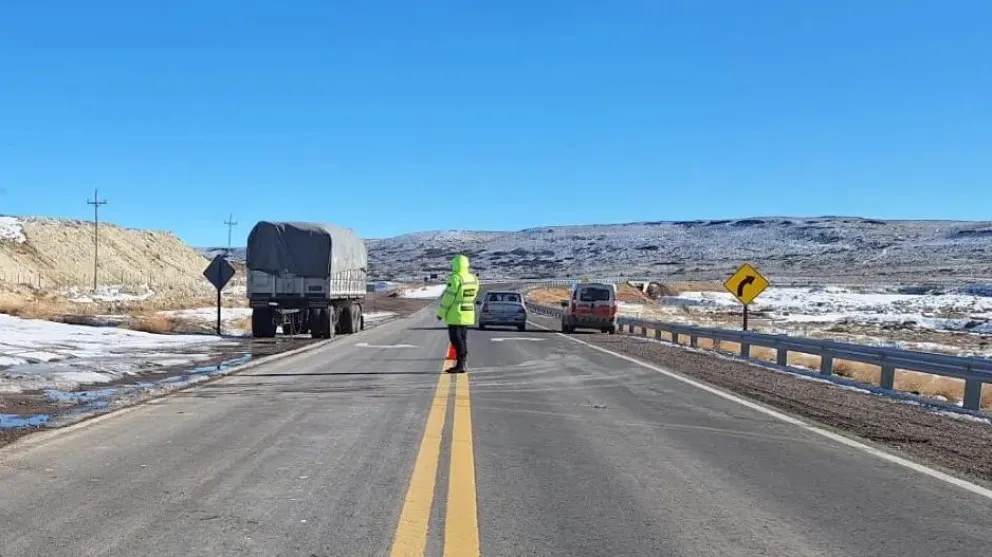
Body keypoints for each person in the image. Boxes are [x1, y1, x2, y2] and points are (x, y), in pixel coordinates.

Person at [436, 254, 479, 373]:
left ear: (455, 265)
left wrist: (441, 313)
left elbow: (448, 298)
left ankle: (460, 364)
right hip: (468, 311)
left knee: (455, 339)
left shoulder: (455, 278)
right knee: (463, 338)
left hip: (456, 313)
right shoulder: (473, 278)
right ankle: (462, 362)